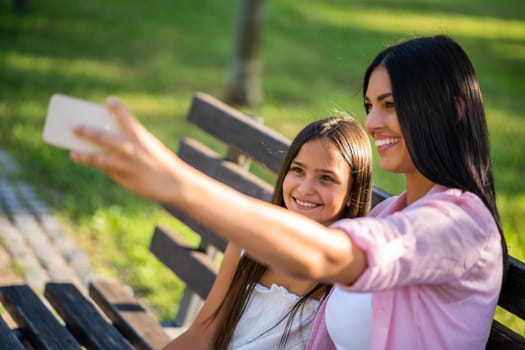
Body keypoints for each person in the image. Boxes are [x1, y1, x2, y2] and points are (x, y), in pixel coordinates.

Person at [71, 34, 507, 349]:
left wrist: (180, 183)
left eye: (391, 105)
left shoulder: (459, 226)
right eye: (370, 106)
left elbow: (329, 256)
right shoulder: (390, 213)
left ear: (452, 110)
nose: (373, 123)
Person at [164, 114, 374, 349]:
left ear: (352, 192)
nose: (305, 188)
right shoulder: (249, 243)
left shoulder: (345, 278)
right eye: (298, 170)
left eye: (326, 178)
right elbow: (201, 335)